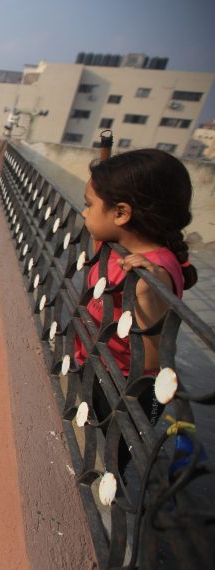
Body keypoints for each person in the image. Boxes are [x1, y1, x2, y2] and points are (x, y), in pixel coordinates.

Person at [75, 149, 197, 472]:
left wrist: (148, 285)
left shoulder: (150, 276)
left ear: (122, 214)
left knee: (110, 463)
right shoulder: (117, 245)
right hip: (100, 370)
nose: (84, 214)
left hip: (126, 393)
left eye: (89, 205)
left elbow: (153, 361)